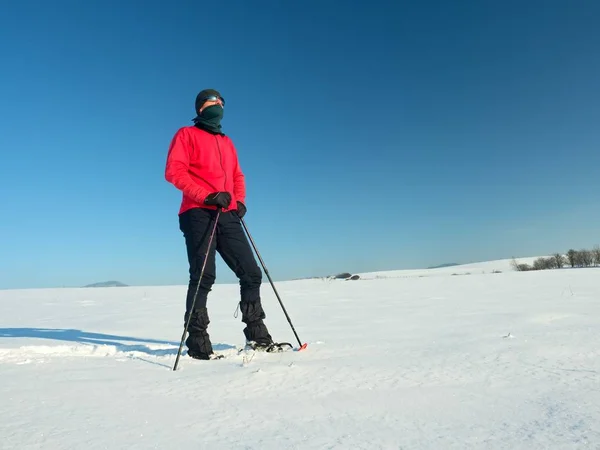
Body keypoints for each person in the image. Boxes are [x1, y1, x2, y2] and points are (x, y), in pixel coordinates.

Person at [165, 89, 276, 360]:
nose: (219, 105)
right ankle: (198, 342)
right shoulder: (186, 134)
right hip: (197, 211)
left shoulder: (227, 142)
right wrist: (206, 195)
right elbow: (174, 171)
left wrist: (239, 200)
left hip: (227, 213)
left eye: (221, 102)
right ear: (200, 108)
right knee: (203, 276)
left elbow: (237, 174)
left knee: (251, 273)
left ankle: (257, 335)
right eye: (213, 101)